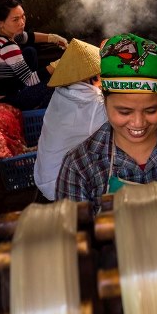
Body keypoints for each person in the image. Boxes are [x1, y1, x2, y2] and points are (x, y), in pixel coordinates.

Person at [56, 33, 157, 215]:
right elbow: (73, 236)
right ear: (104, 99)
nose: (138, 123)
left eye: (151, 110)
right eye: (124, 112)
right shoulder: (79, 166)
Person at [33, 39, 108, 201]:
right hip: (60, 185)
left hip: (44, 174)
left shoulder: (63, 91)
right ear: (93, 77)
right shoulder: (93, 104)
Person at [0, 0, 68, 110]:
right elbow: (30, 80)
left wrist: (52, 38)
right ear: (0, 22)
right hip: (10, 100)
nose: (22, 22)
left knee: (30, 52)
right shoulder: (8, 47)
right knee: (56, 82)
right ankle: (38, 108)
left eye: (23, 16)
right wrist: (57, 65)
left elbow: (28, 37)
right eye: (16, 19)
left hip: (5, 86)